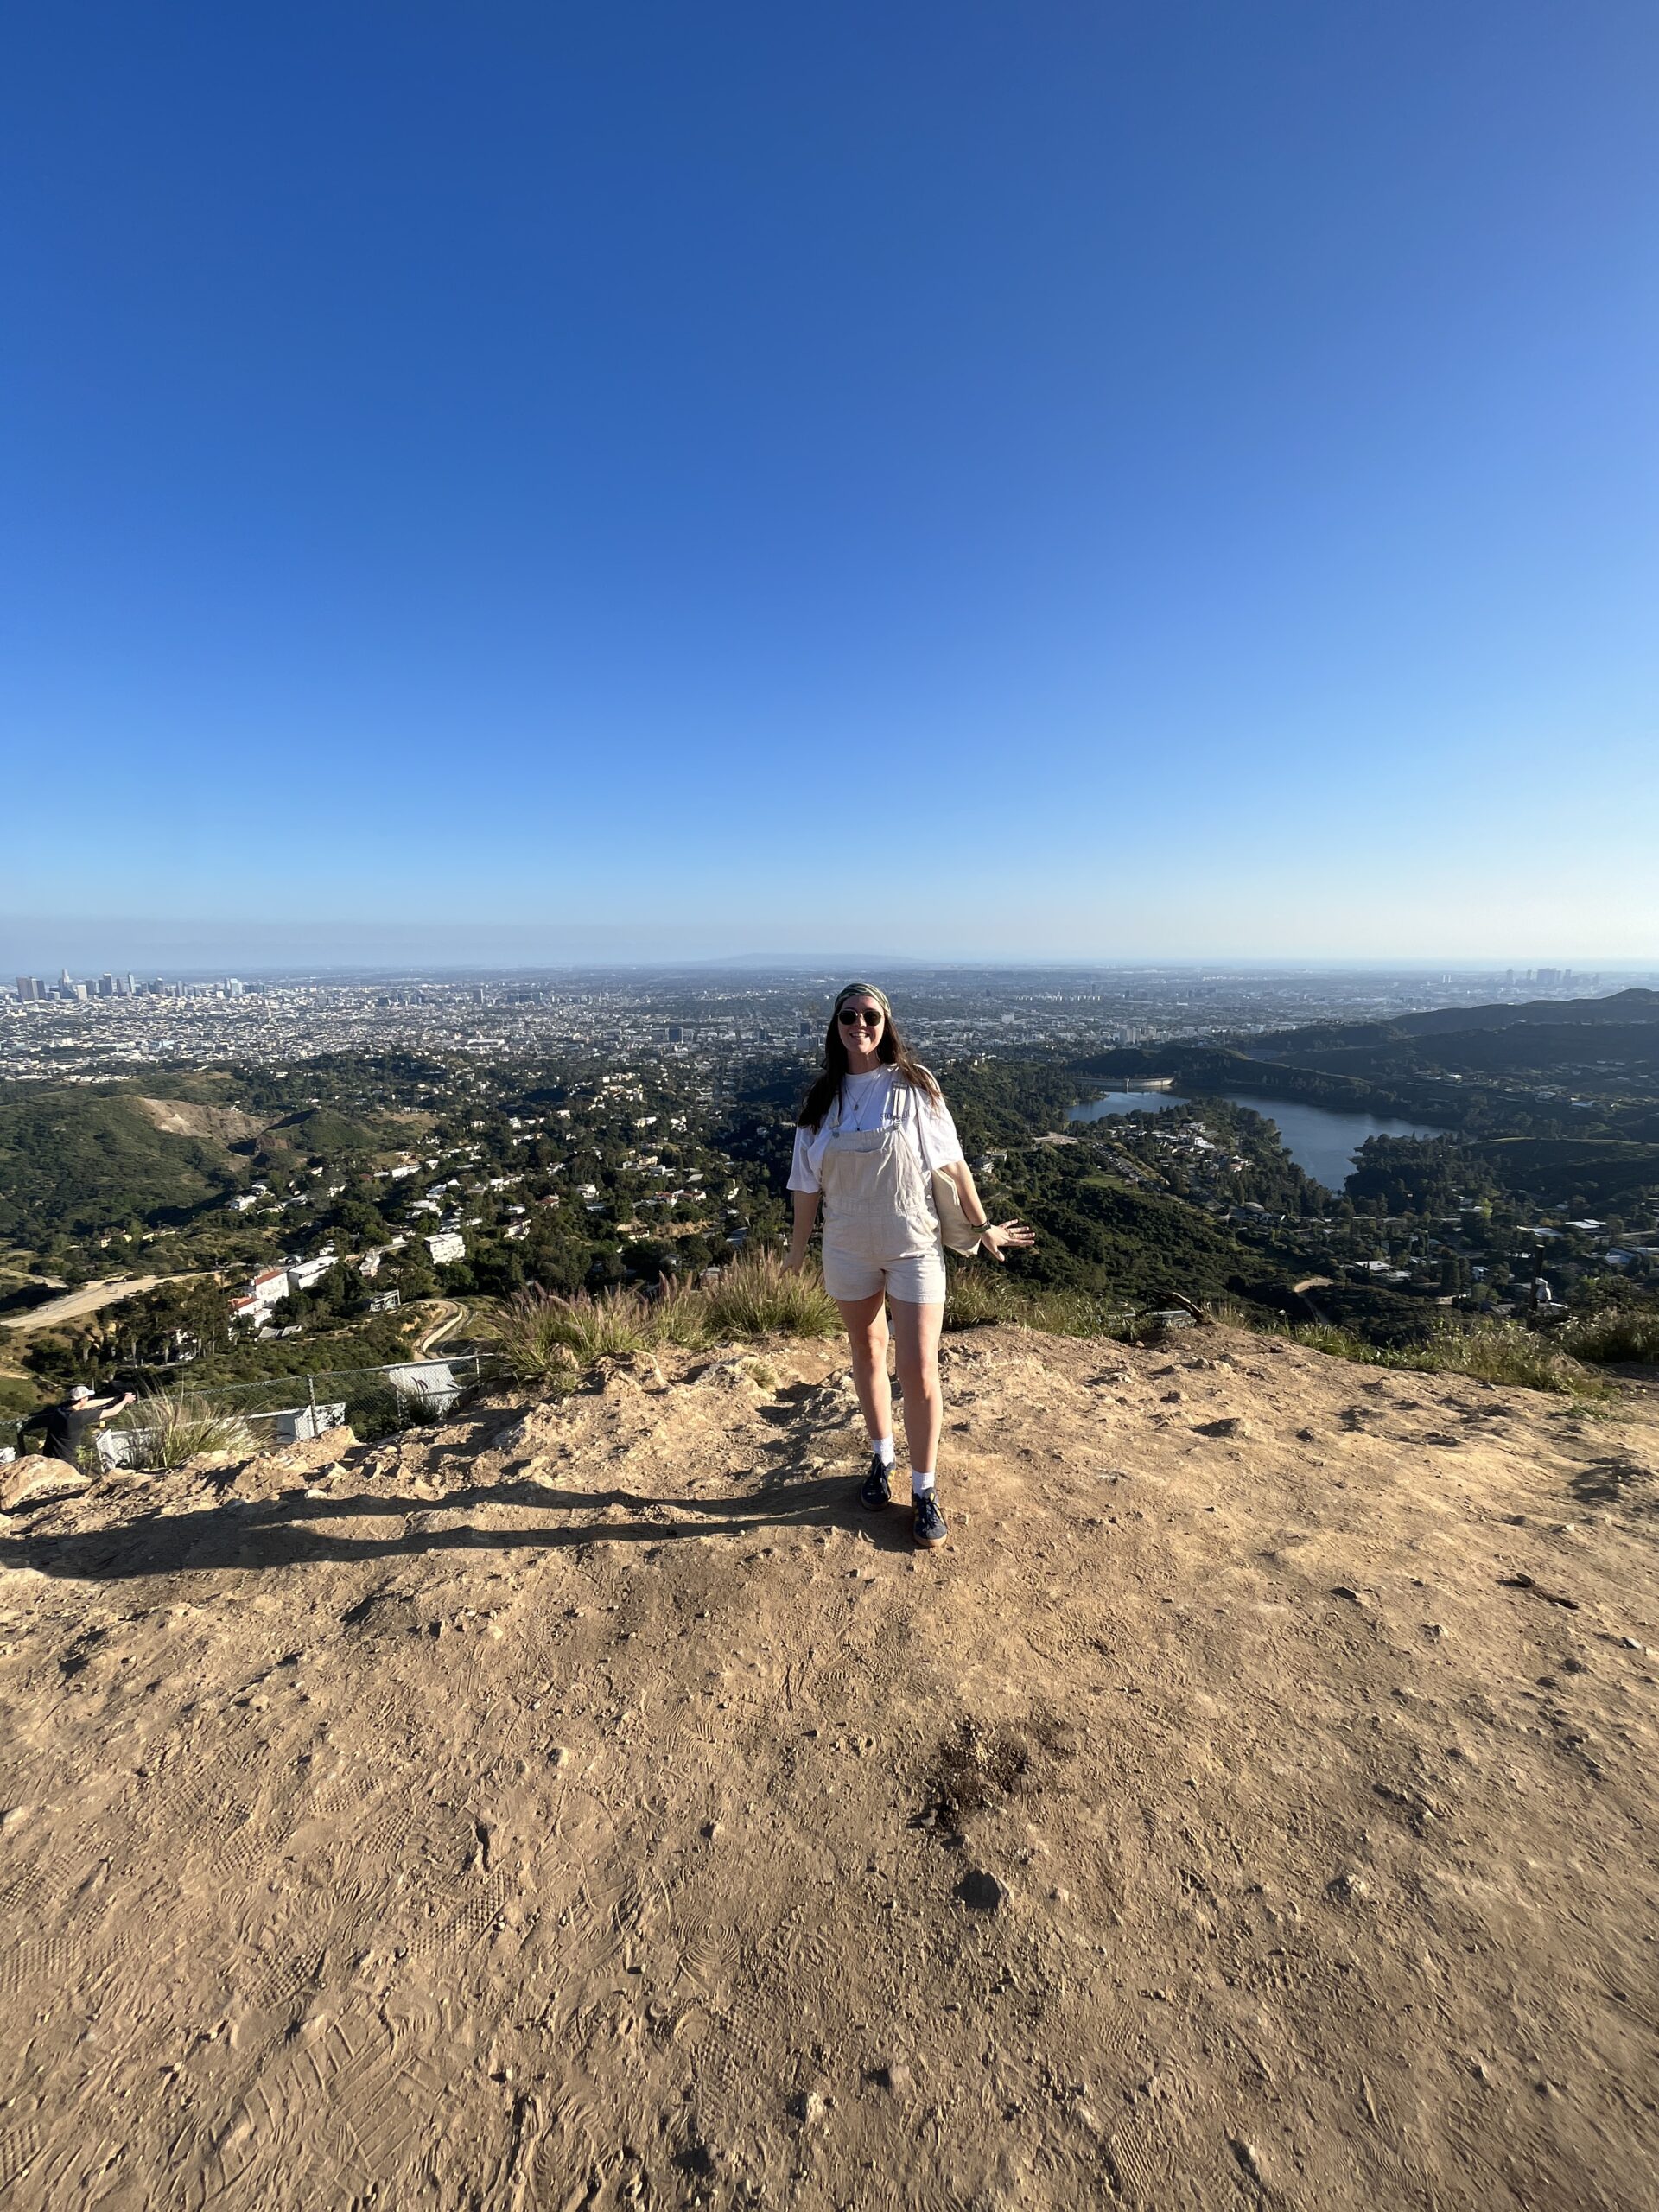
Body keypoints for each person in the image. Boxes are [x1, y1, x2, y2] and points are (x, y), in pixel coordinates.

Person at [782, 983, 1034, 1549]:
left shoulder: (915, 1087)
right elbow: (804, 1188)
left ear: (885, 1021)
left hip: (914, 1245)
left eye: (869, 1015)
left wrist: (980, 1225)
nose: (859, 1024)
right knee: (867, 1353)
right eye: (848, 1016)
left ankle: (924, 1490)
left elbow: (954, 1164)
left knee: (920, 1370)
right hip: (847, 1249)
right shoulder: (821, 1103)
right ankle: (881, 1458)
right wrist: (795, 1253)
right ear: (836, 1026)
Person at [24, 1383, 136, 1466]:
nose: (88, 1399)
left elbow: (88, 1404)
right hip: (66, 1460)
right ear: (82, 1399)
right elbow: (113, 1412)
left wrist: (116, 1398)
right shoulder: (78, 1417)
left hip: (49, 1455)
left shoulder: (61, 1408)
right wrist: (125, 1400)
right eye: (87, 1397)